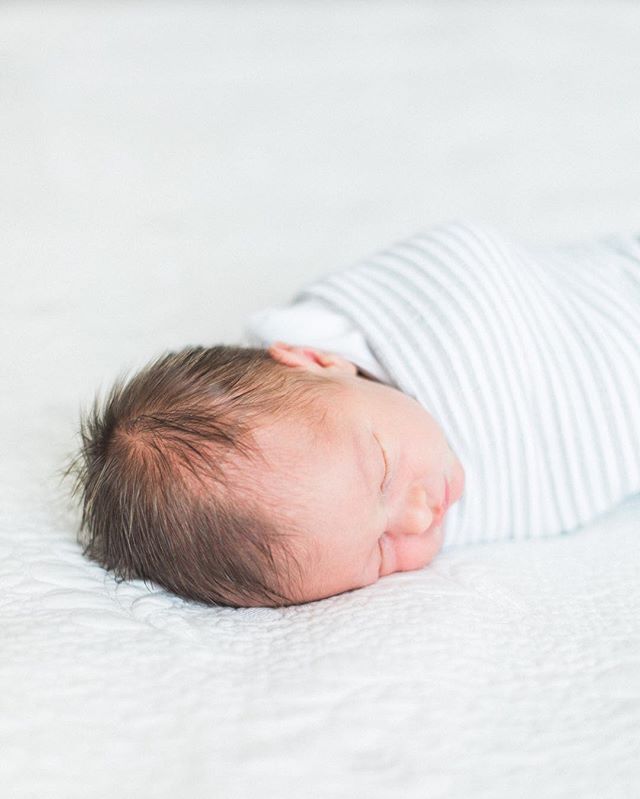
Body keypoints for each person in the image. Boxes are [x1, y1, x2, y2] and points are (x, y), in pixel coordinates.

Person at [67, 221, 640, 608]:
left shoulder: (375, 325)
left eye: (385, 468)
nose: (419, 519)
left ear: (317, 359)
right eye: (379, 553)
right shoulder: (338, 500)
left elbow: (469, 260)